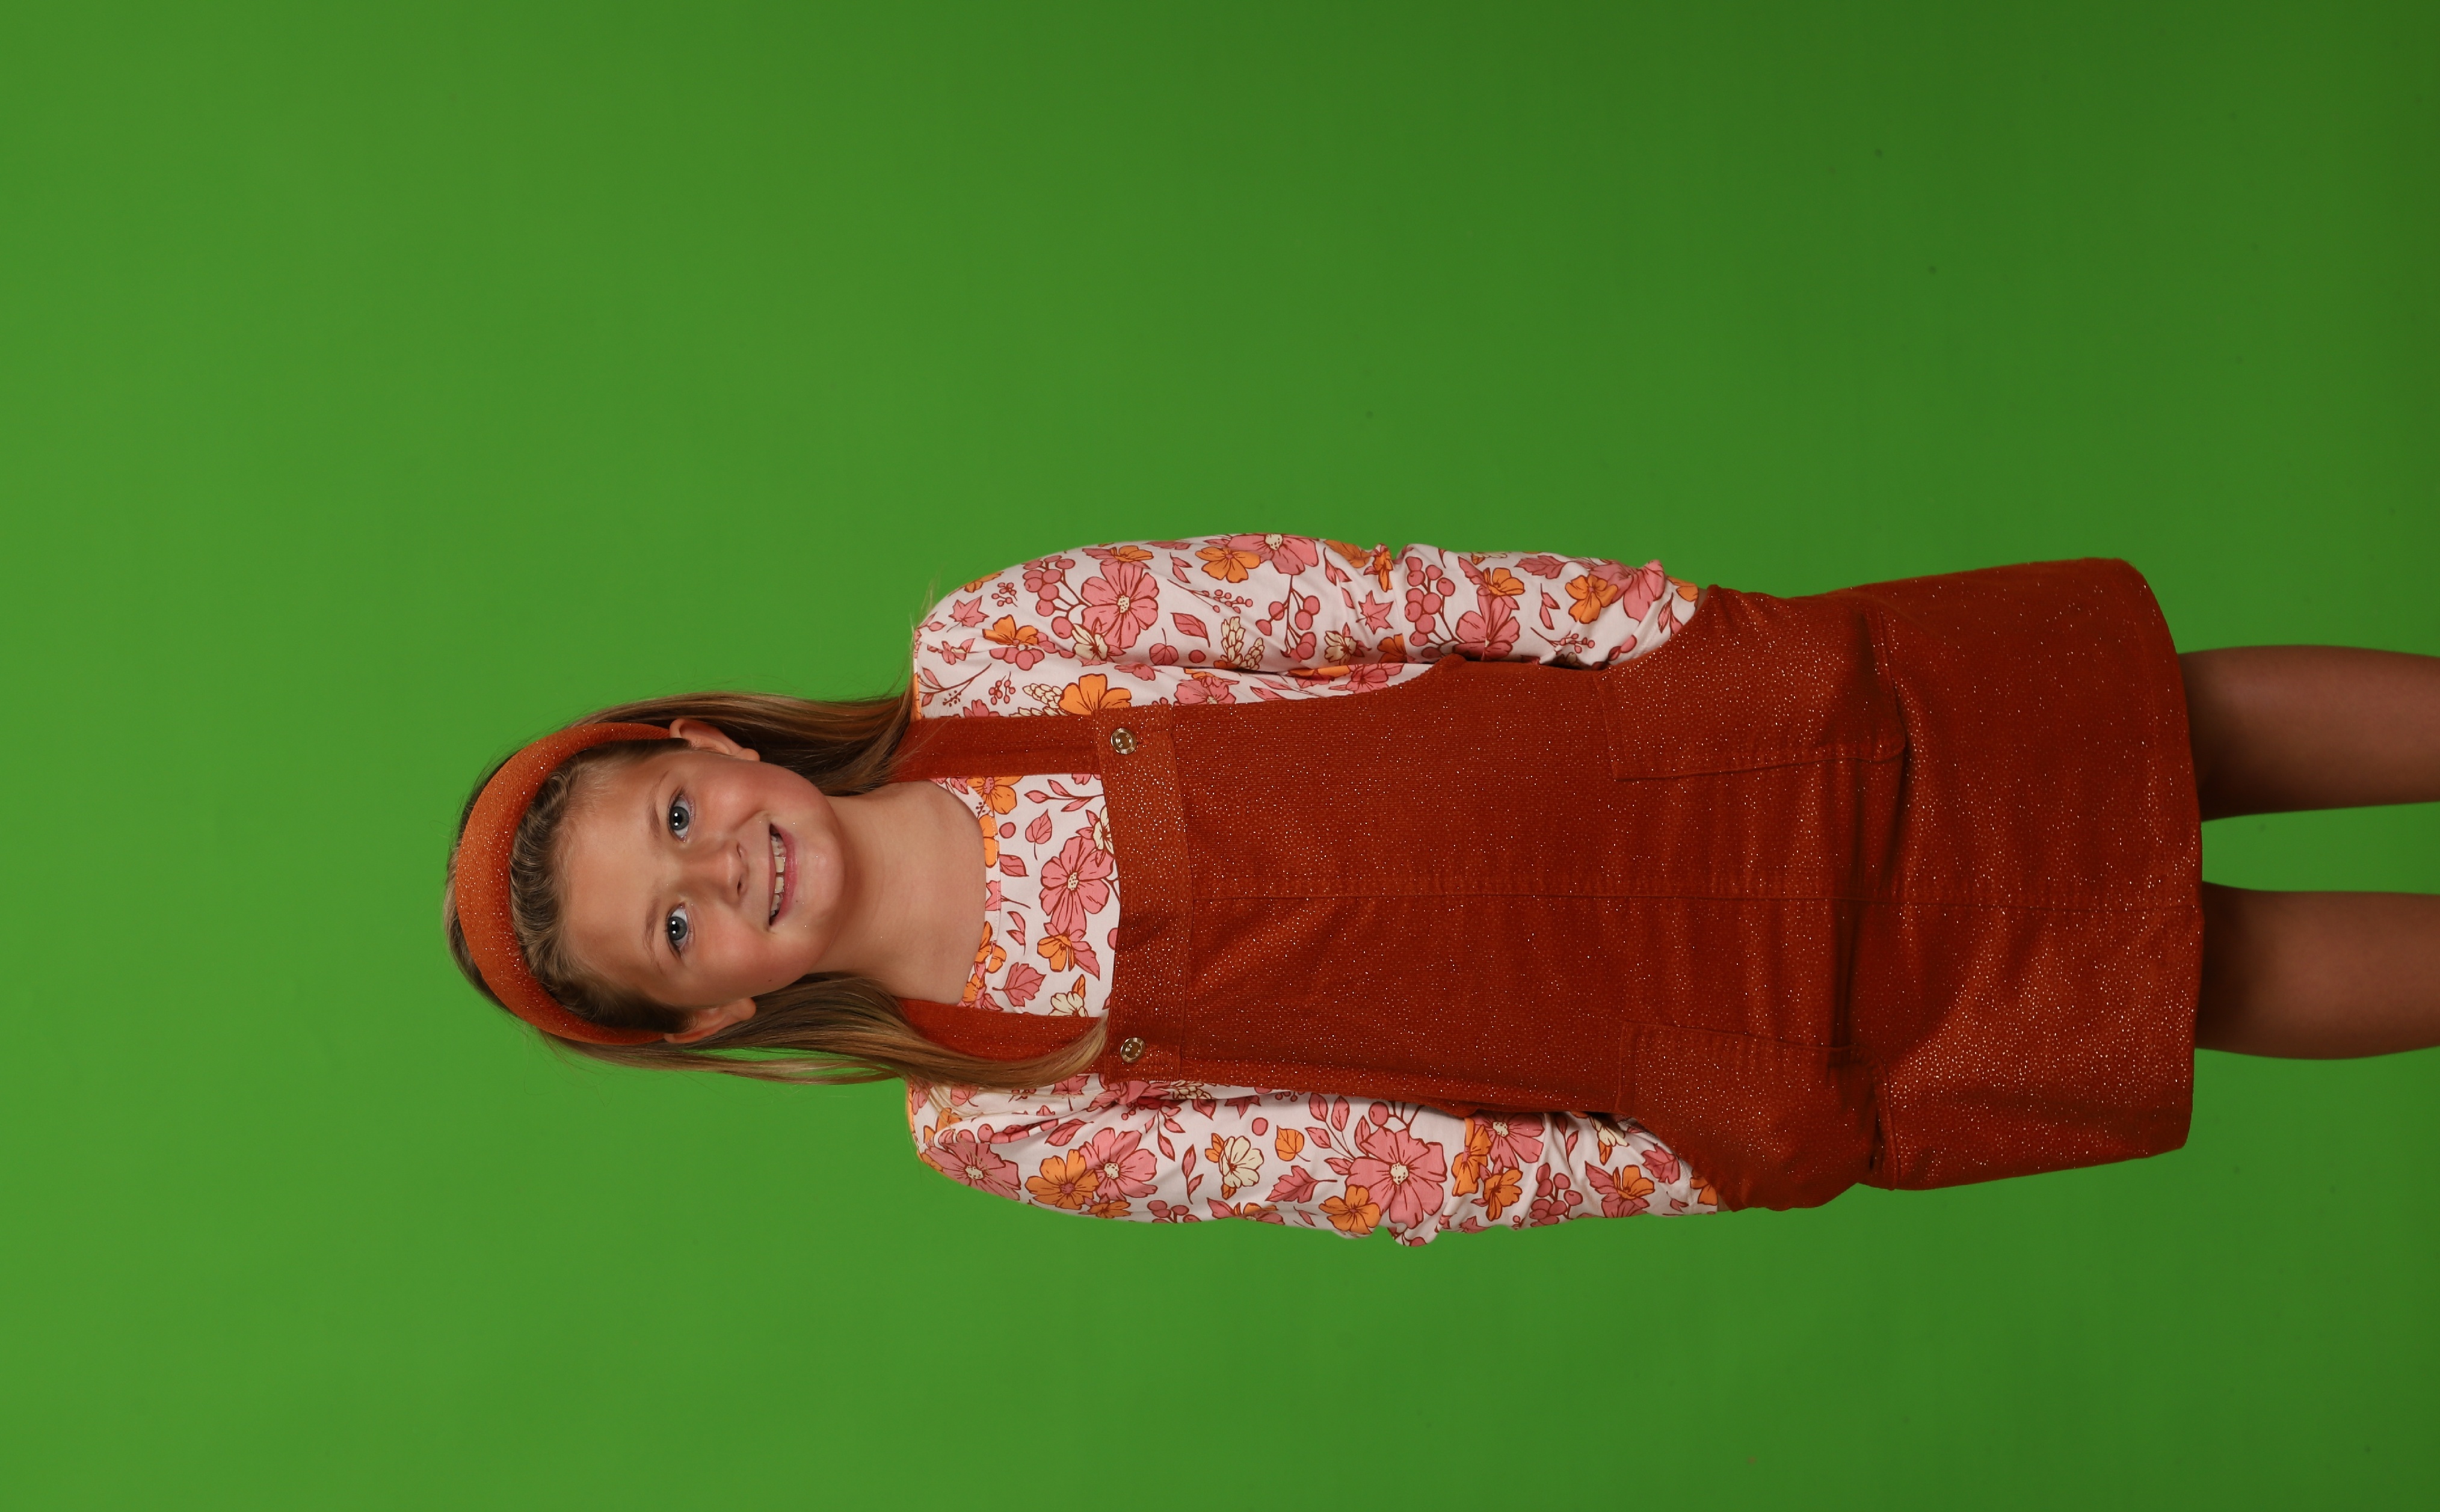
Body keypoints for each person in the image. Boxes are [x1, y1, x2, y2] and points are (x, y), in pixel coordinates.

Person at [442, 535, 2440, 1243]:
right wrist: (1682, 1149)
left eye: (675, 817)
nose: (721, 869)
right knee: (2182, 975)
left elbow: (1369, 594)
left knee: (2143, 723)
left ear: (707, 746)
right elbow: (1370, 1169)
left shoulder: (998, 648)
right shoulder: (988, 1111)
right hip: (1686, 1034)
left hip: (1676, 748)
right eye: (676, 928)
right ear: (712, 1011)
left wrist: (1668, 632)